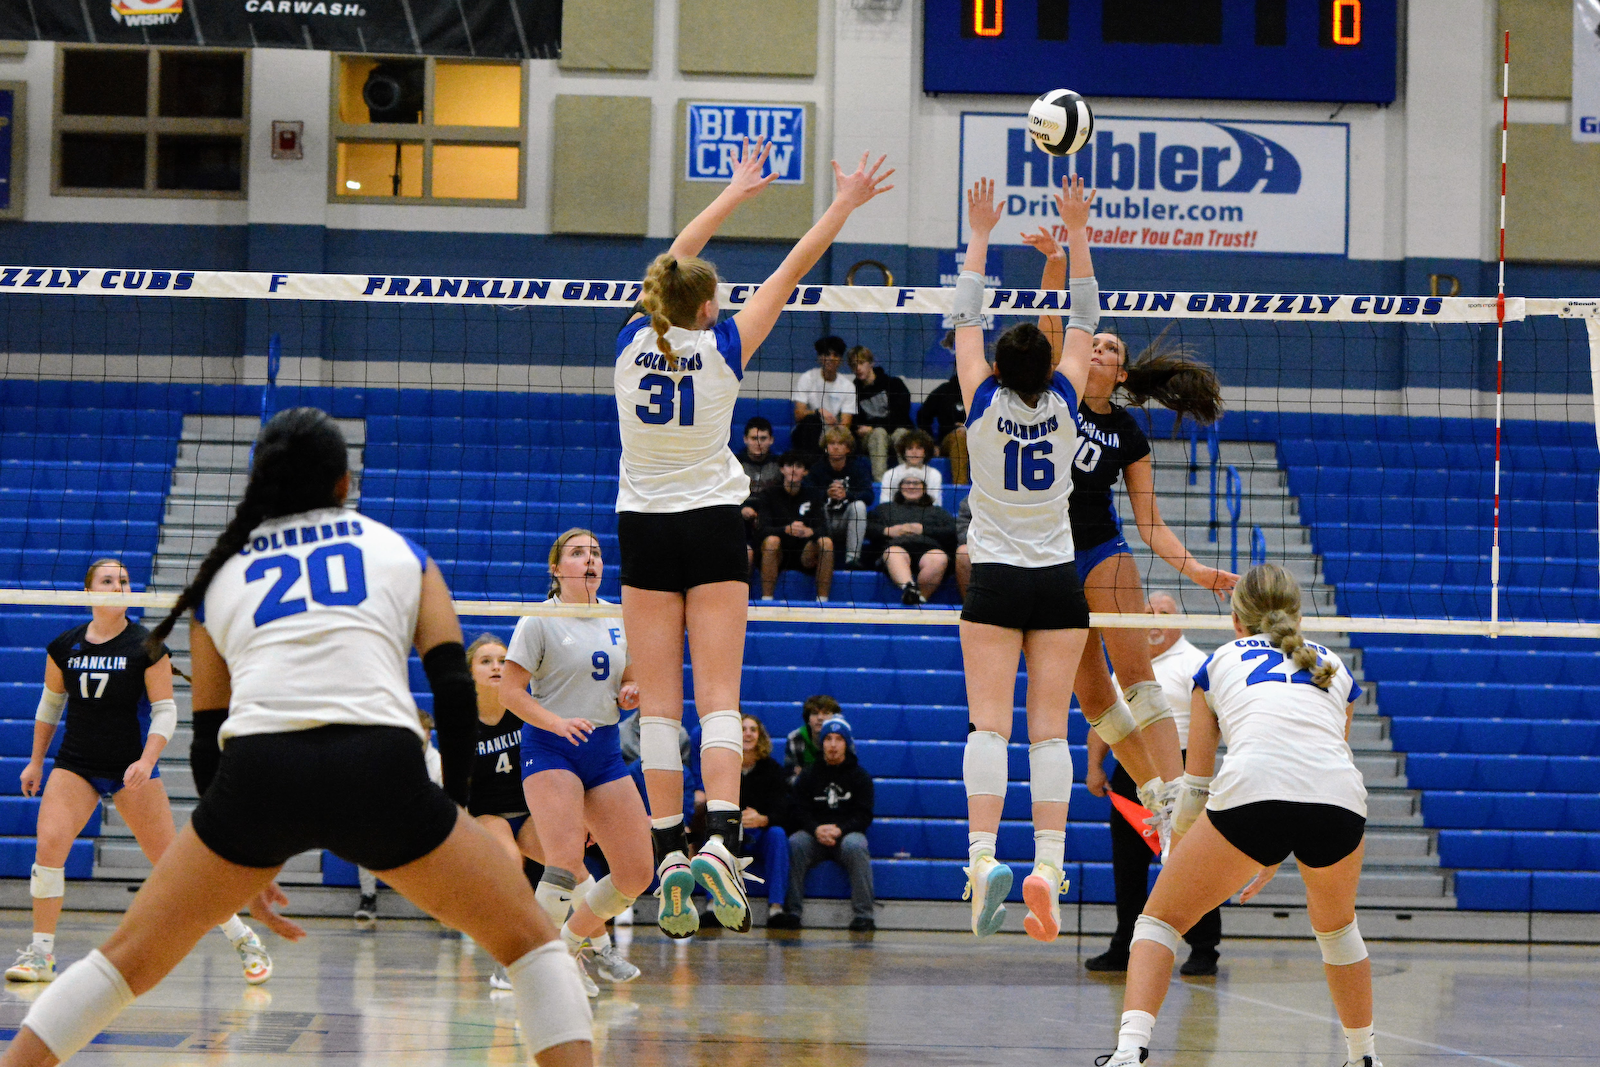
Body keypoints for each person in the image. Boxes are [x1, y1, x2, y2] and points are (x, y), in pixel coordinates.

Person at [0, 409, 594, 1067]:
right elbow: (453, 690)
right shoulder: (401, 552)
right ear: (344, 483)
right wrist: (452, 808)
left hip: (261, 772)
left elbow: (205, 737)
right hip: (380, 767)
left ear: (261, 482)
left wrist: (235, 855)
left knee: (124, 962)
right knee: (535, 947)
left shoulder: (218, 578)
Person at [613, 137, 893, 938]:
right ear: (708, 307)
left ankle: (669, 851)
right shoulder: (725, 348)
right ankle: (722, 842)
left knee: (658, 709)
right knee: (719, 700)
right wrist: (842, 203)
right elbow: (793, 268)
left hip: (643, 528)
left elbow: (672, 262)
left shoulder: (632, 342)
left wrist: (732, 193)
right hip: (710, 525)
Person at [954, 176, 1168, 944]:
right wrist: (1077, 229)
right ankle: (1047, 864)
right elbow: (1083, 313)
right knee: (1051, 733)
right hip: (1056, 581)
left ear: (996, 366)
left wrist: (981, 232)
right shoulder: (1069, 401)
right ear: (1050, 366)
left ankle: (983, 858)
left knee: (990, 727)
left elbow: (966, 314)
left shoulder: (979, 400)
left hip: (996, 579)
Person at [1099, 564, 1374, 1067]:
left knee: (1159, 922)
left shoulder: (1218, 661)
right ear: (1298, 615)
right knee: (1338, 932)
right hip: (1340, 801)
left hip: (1253, 793)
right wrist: (1270, 851)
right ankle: (1365, 1057)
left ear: (1235, 619)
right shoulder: (1334, 667)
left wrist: (1178, 847)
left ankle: (1129, 1052)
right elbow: (1315, 769)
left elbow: (1196, 786)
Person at [1017, 218, 1234, 825]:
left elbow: (1151, 524)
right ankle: (1155, 794)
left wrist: (1197, 571)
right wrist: (1054, 264)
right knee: (1093, 698)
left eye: (1111, 348)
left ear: (1120, 375)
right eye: (1095, 341)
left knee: (1137, 677)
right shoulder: (1055, 396)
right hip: (1047, 554)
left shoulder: (1127, 432)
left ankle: (1181, 790)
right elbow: (1049, 325)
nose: (1099, 348)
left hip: (1101, 549)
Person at [9, 558, 272, 987]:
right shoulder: (64, 646)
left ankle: (243, 937)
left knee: (172, 866)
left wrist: (147, 761)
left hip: (130, 765)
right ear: (88, 591)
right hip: (76, 764)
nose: (119, 586)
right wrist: (36, 760)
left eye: (125, 581)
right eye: (108, 581)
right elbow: (50, 706)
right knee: (50, 846)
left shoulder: (147, 645)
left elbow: (166, 711)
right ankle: (40, 954)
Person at [500, 529, 648, 995]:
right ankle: (528, 962)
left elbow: (628, 680)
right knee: (564, 861)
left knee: (637, 873)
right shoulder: (539, 619)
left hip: (603, 751)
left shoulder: (618, 616)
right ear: (556, 568)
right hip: (551, 747)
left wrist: (630, 692)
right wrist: (556, 723)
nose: (590, 560)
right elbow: (509, 692)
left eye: (596, 553)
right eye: (578, 553)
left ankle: (566, 945)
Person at [1084, 594, 1220, 976]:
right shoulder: (1129, 666)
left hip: (1182, 771)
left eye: (1164, 612)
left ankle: (1204, 948)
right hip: (1131, 770)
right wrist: (1094, 765)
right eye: (1148, 613)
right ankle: (1124, 946)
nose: (1155, 619)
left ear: (1180, 620)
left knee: (1191, 862)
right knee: (1128, 865)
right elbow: (1105, 717)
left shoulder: (1197, 663)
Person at [459, 634, 550, 989]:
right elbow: (454, 788)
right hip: (487, 814)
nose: (496, 667)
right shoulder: (461, 722)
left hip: (529, 810)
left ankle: (577, 950)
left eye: (502, 660)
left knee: (566, 862)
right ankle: (507, 960)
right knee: (511, 863)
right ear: (470, 673)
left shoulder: (525, 709)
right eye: (486, 661)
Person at [770, 718, 875, 931]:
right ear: (822, 743)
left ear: (847, 743)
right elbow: (797, 810)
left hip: (846, 835)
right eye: (828, 739)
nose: (833, 744)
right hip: (814, 835)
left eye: (838, 739)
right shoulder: (809, 774)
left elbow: (864, 815)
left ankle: (864, 915)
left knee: (856, 845)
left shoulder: (860, 776)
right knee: (795, 843)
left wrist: (840, 829)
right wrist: (815, 829)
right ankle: (792, 912)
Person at [355, 710, 445, 923]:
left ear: (428, 734)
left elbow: (445, 801)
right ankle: (368, 897)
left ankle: (443, 903)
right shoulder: (388, 756)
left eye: (421, 730)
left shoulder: (438, 761)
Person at [864, 476, 956, 605]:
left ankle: (920, 598)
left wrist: (923, 530)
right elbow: (865, 527)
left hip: (929, 550)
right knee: (894, 553)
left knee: (939, 558)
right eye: (907, 483)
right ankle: (909, 588)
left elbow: (952, 532)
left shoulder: (938, 512)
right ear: (900, 488)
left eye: (916, 483)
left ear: (924, 489)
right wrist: (888, 531)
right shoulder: (884, 509)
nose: (911, 486)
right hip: (896, 548)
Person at [756, 452, 834, 601]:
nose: (793, 470)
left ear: (805, 472)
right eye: (789, 465)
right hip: (778, 553)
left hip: (805, 553)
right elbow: (761, 530)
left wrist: (810, 531)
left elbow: (824, 529)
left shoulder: (814, 494)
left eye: (798, 466)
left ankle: (822, 602)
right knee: (771, 541)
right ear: (782, 469)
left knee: (826, 543)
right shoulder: (769, 494)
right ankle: (767, 600)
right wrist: (785, 530)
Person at [805, 425, 873, 567]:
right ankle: (820, 555)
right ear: (826, 447)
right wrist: (826, 494)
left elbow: (869, 495)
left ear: (848, 448)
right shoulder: (817, 468)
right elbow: (806, 494)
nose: (835, 447)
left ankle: (852, 559)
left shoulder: (858, 468)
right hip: (824, 521)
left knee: (859, 506)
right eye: (832, 443)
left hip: (846, 521)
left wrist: (847, 495)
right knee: (817, 506)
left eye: (840, 443)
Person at [848, 345, 913, 479]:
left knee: (901, 433)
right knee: (879, 434)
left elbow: (900, 416)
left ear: (871, 363)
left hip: (895, 431)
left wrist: (873, 426)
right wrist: (873, 428)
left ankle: (910, 479)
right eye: (854, 365)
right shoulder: (852, 391)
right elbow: (856, 425)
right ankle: (880, 483)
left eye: (861, 363)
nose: (858, 368)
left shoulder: (894, 384)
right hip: (872, 438)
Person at [791, 336, 857, 458]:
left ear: (840, 360)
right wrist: (818, 412)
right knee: (812, 421)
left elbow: (845, 424)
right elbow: (799, 415)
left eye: (835, 355)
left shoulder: (848, 386)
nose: (831, 358)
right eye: (827, 354)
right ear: (820, 358)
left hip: (831, 433)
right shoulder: (807, 378)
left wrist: (832, 436)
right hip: (807, 432)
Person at [736, 417, 782, 560]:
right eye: (754, 438)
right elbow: (723, 496)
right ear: (745, 439)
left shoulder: (780, 466)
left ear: (771, 440)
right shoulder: (734, 465)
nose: (758, 443)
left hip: (770, 520)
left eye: (763, 438)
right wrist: (740, 509)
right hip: (739, 521)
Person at [916, 364, 969, 484]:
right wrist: (932, 443)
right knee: (959, 435)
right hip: (951, 440)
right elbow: (923, 416)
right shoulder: (945, 391)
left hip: (979, 441)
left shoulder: (985, 393)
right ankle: (960, 487)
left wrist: (969, 427)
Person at [784, 694, 841, 783]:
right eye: (815, 713)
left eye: (825, 713)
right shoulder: (795, 738)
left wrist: (805, 774)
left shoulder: (843, 738)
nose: (820, 718)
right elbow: (789, 779)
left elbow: (849, 775)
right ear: (808, 719)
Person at [879, 429, 944, 504]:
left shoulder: (934, 475)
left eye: (919, 448)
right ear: (904, 452)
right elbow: (885, 503)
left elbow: (935, 504)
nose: (914, 452)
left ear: (925, 452)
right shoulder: (890, 474)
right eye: (910, 448)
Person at [954, 496, 973, 600]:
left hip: (1012, 545)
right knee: (963, 552)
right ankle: (969, 603)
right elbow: (962, 533)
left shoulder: (1019, 498)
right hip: (981, 545)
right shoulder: (972, 499)